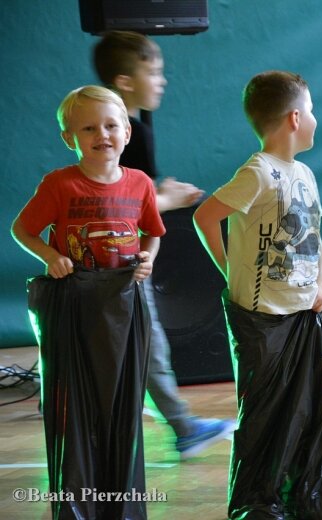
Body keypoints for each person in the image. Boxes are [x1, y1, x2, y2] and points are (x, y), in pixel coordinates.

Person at [193, 71, 322, 519]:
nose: (314, 118)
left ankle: (304, 491)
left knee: (306, 410)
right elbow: (206, 217)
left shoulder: (304, 173)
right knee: (265, 415)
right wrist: (229, 269)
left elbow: (315, 235)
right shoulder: (257, 172)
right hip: (263, 319)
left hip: (303, 313)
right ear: (294, 117)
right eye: (311, 110)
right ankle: (257, 501)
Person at [12, 85, 165, 518]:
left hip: (123, 307)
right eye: (89, 127)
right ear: (69, 138)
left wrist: (147, 260)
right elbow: (22, 230)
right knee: (76, 411)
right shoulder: (59, 184)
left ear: (127, 133)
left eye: (112, 125)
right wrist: (52, 256)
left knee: (122, 407)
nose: (103, 134)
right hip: (74, 309)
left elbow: (153, 232)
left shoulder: (140, 184)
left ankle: (122, 503)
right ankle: (79, 504)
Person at [93, 30, 234, 459]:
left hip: (113, 257)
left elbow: (126, 188)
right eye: (153, 72)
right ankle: (182, 427)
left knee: (139, 346)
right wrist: (168, 198)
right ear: (125, 81)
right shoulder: (128, 131)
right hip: (120, 260)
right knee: (148, 345)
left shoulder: (120, 129)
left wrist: (158, 190)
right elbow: (123, 203)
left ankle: (176, 425)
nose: (162, 81)